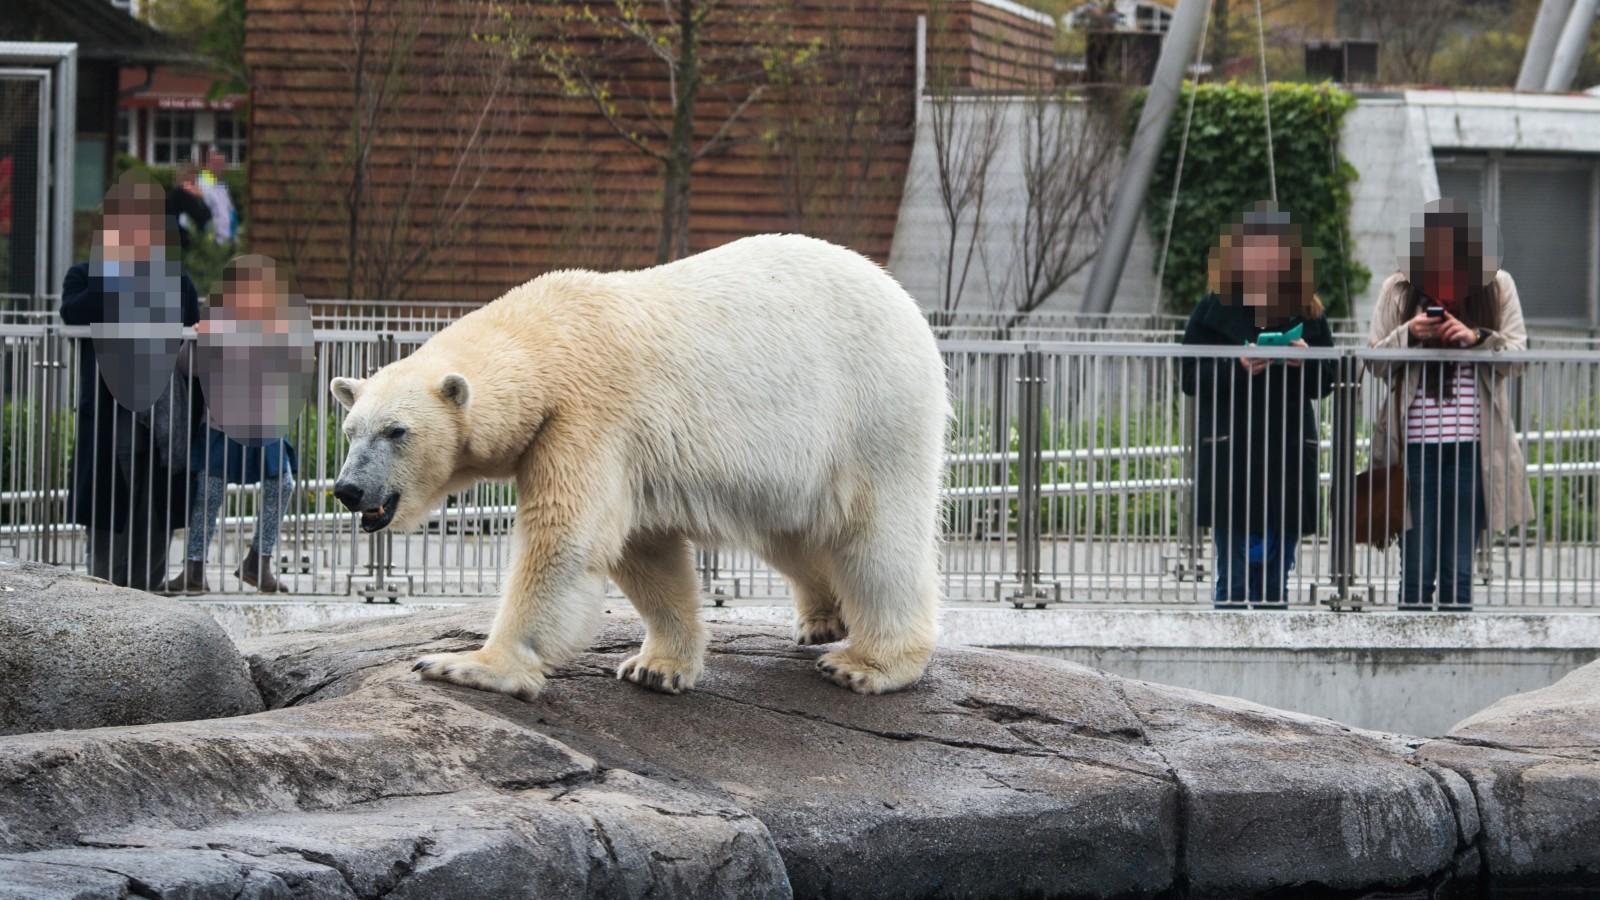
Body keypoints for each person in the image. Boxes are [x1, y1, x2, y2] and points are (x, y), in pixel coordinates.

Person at [1367, 199, 1533, 610]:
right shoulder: (1400, 288)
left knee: (1459, 567)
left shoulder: (1497, 285)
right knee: (1417, 565)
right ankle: (1409, 651)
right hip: (1414, 447)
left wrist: (1475, 338)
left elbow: (1517, 355)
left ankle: (1453, 642)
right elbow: (1373, 359)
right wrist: (1410, 333)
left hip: (1473, 446)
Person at [1180, 207, 1336, 608]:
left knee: (1275, 577)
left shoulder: (1308, 311)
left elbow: (1326, 382)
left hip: (1286, 451)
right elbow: (1190, 376)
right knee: (1231, 578)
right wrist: (1239, 365)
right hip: (1233, 449)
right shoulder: (1213, 309)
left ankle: (1272, 621)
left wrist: (1306, 361)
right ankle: (1229, 632)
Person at [60, 175, 202, 590]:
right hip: (110, 412)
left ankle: (147, 595)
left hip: (166, 416)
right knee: (110, 507)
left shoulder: (176, 280)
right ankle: (103, 596)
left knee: (154, 508)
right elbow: (72, 313)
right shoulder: (87, 275)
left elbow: (188, 331)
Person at [160, 256, 302, 594]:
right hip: (223, 422)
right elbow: (187, 367)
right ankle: (194, 569)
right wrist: (198, 338)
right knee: (208, 494)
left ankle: (259, 560)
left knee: (281, 483)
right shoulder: (216, 321)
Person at [198, 147, 237, 244]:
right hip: (211, 243)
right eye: (215, 164)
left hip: (226, 241)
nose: (219, 167)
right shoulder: (201, 186)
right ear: (207, 165)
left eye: (221, 164)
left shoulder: (222, 186)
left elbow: (229, 212)